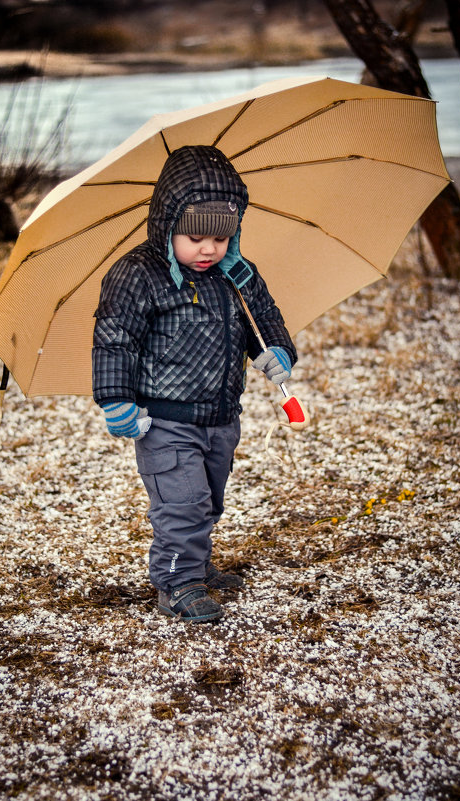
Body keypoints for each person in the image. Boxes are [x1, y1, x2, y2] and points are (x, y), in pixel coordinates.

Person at [92, 145, 297, 623]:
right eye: (195, 237)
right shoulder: (137, 275)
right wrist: (116, 399)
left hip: (222, 417)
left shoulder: (236, 274)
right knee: (181, 503)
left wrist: (276, 349)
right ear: (167, 225)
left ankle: (196, 566)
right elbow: (114, 338)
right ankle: (177, 583)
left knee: (208, 499)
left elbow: (262, 318)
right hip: (165, 420)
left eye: (222, 238)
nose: (209, 250)